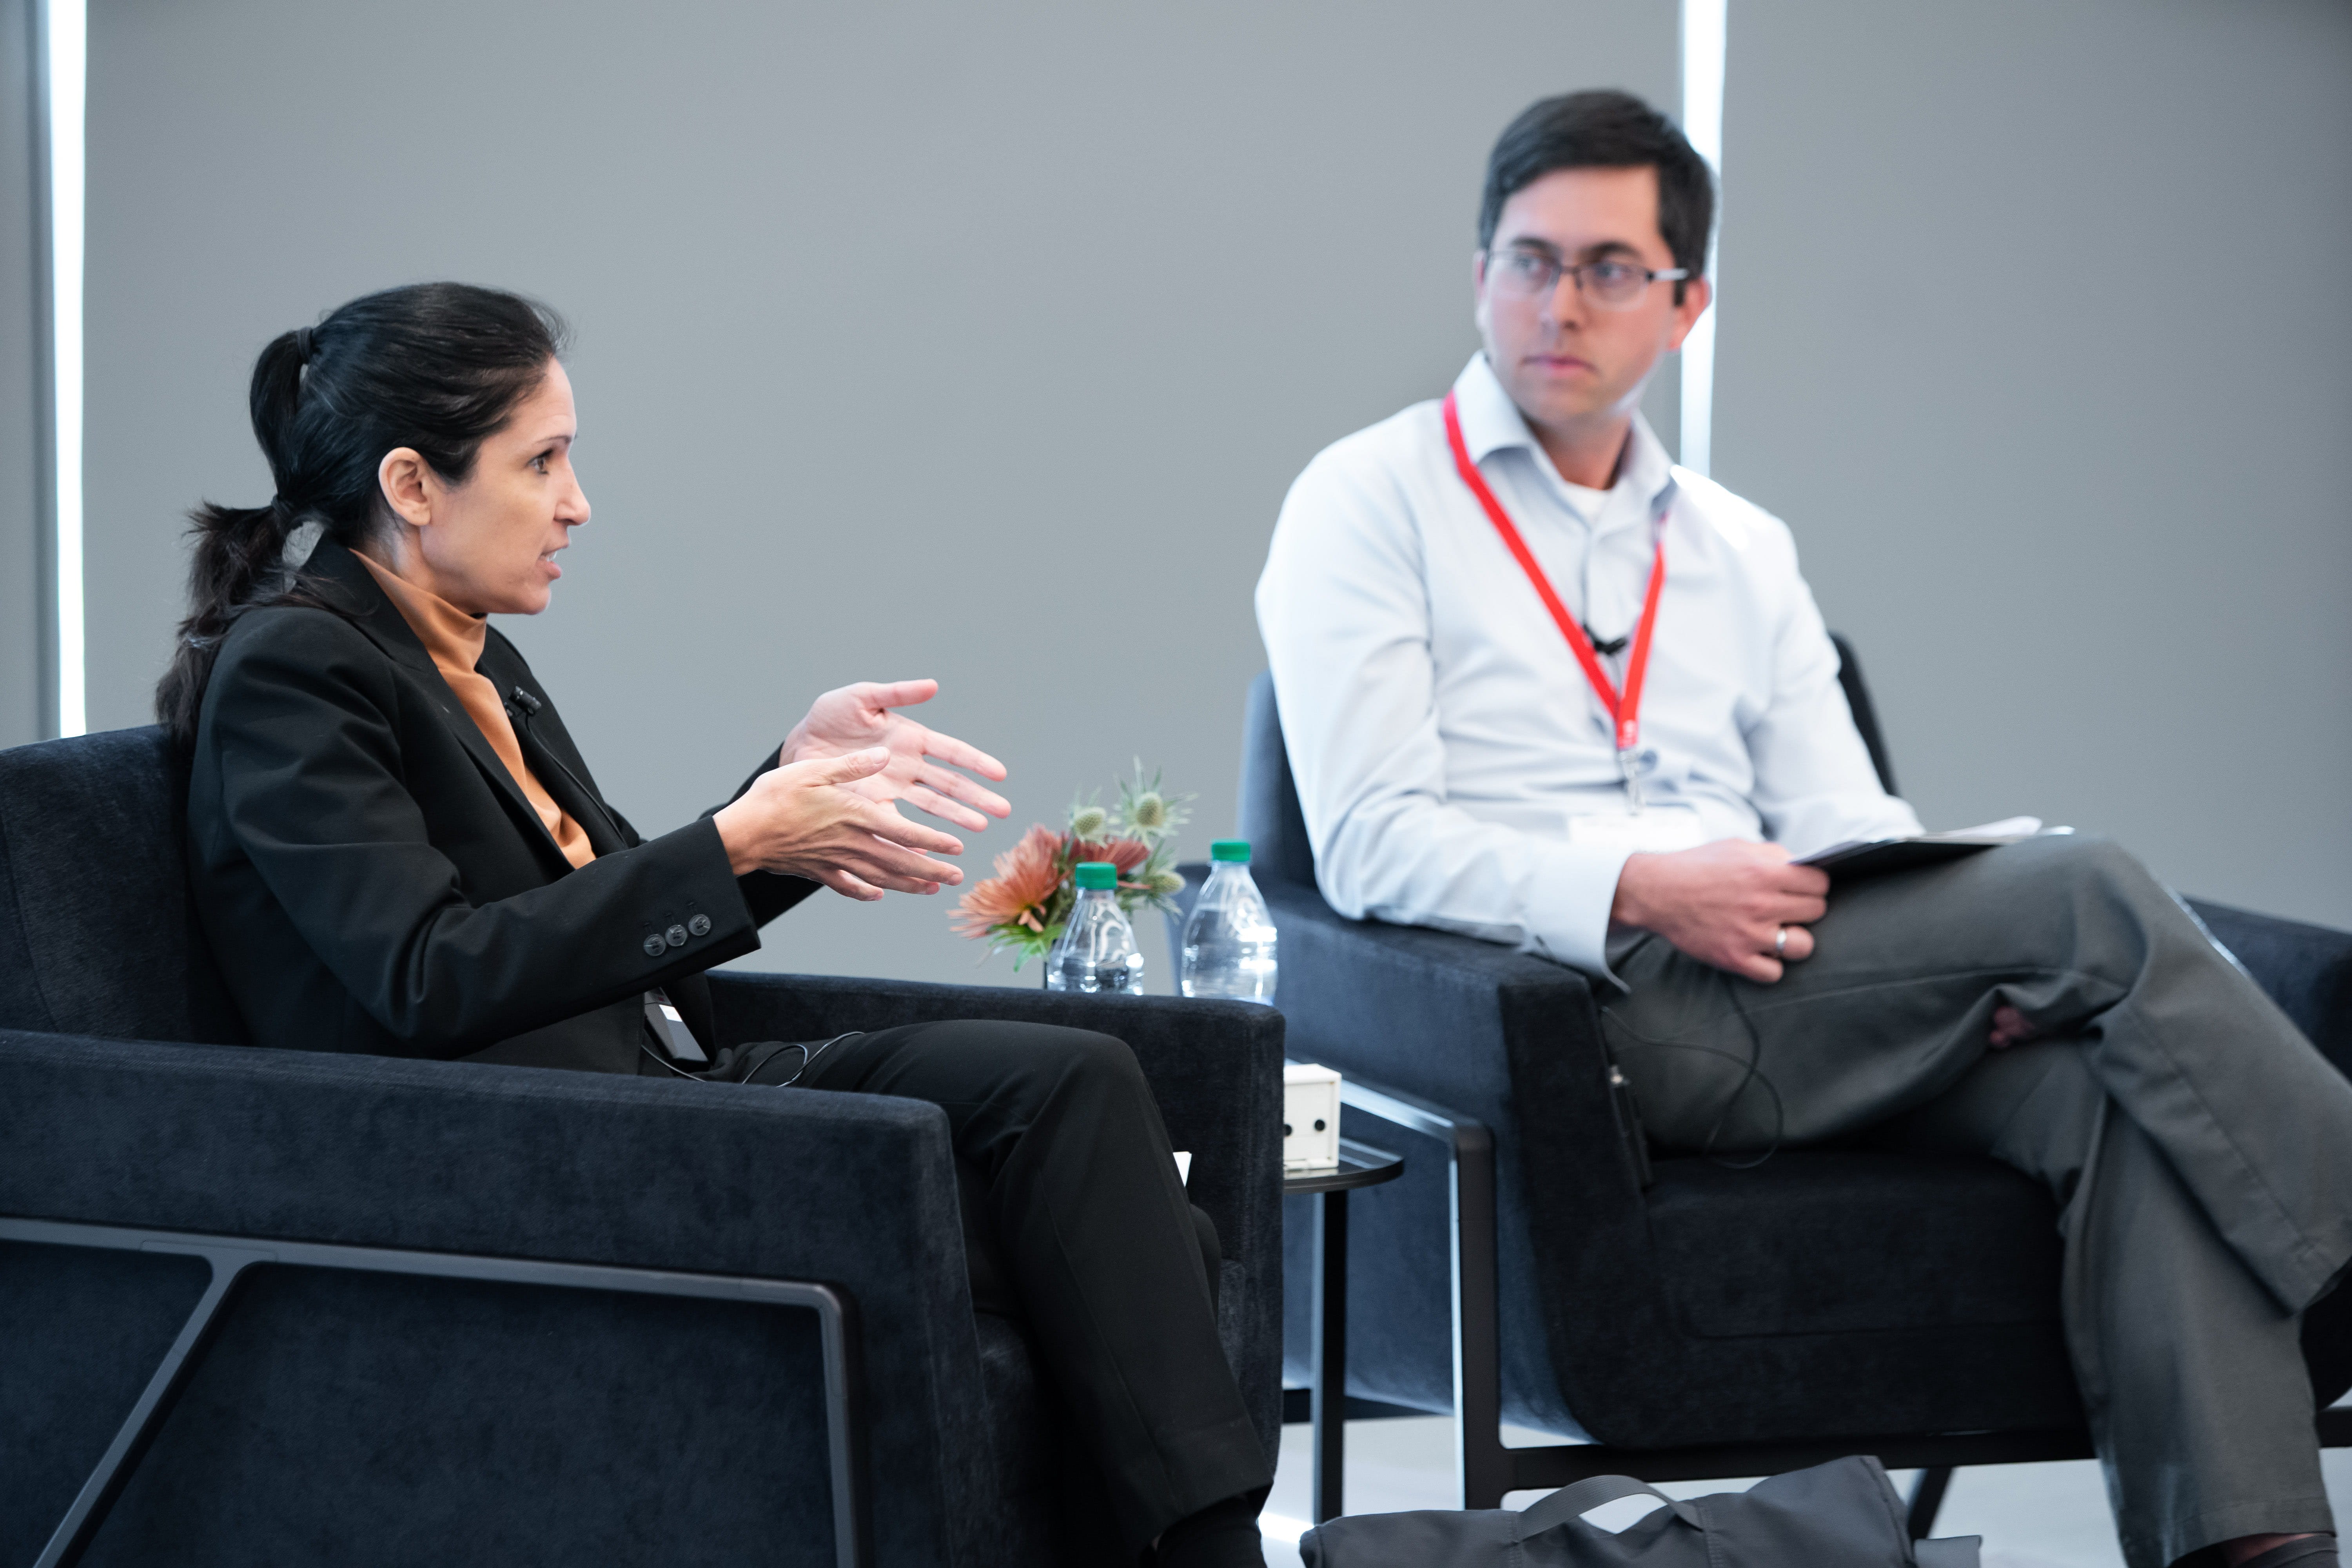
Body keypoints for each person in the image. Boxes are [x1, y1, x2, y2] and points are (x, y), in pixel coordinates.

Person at [1256, 90, 2352, 1568]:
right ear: (1479, 275)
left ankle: (2252, 1551)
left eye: (1608, 268)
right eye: (1528, 259)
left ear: (1686, 304)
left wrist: (1970, 965)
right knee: (2087, 888)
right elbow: (1374, 845)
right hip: (1592, 1019)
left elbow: (1848, 818)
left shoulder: (1736, 545)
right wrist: (1648, 881)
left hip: (1808, 993)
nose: (1558, 302)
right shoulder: (1368, 503)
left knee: (2112, 1091)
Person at [165, 282, 1269, 1568]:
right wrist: (743, 840)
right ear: (414, 485)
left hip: (658, 1081)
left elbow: (602, 902)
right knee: (1130, 1234)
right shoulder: (298, 672)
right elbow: (422, 979)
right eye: (544, 461)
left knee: (1077, 1081)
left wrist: (783, 793)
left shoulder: (462, 646)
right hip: (523, 1152)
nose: (577, 503)